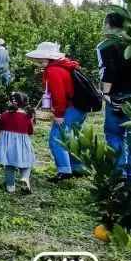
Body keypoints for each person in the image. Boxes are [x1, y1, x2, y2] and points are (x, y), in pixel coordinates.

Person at [26, 41, 88, 182]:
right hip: (79, 108)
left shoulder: (53, 71)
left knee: (56, 140)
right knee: (73, 139)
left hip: (69, 109)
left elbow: (59, 94)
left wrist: (59, 114)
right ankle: (77, 167)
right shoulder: (64, 66)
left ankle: (64, 171)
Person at [97, 12, 131, 181]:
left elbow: (108, 70)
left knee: (114, 135)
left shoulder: (105, 46)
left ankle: (119, 175)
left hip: (117, 96)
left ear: (108, 24)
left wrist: (106, 93)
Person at [0, 92, 35, 193]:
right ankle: (25, 178)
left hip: (8, 145)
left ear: (11, 102)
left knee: (9, 165)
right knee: (26, 163)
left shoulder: (4, 115)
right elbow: (30, 131)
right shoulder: (26, 116)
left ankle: (10, 186)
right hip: (22, 144)